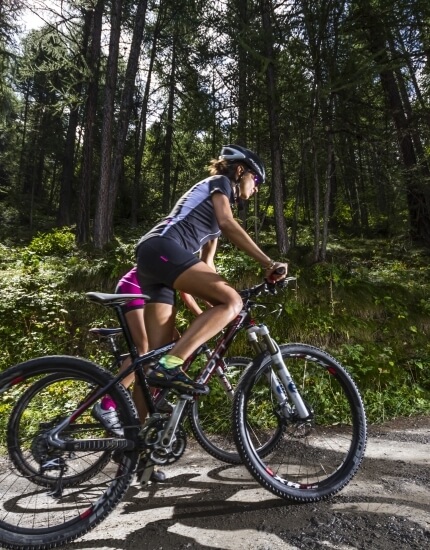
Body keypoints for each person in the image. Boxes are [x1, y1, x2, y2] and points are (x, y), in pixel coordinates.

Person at [136, 144, 288, 395]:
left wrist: (219, 307)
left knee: (155, 360)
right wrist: (268, 263)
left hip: (153, 259)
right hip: (162, 247)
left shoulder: (213, 219)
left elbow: (207, 265)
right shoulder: (221, 183)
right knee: (230, 302)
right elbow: (228, 223)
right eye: (256, 178)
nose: (257, 186)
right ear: (240, 171)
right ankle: (171, 366)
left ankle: (137, 430)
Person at [92, 267, 203, 482]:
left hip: (148, 293)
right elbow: (185, 292)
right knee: (143, 350)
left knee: (170, 344)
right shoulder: (183, 245)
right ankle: (106, 404)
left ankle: (150, 403)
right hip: (134, 287)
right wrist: (204, 316)